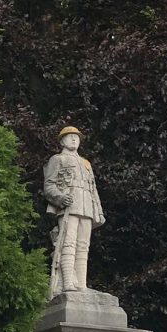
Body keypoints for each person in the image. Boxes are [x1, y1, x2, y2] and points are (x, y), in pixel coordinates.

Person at [43, 126, 105, 295]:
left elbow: (93, 189)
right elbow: (49, 185)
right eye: (70, 137)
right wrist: (60, 198)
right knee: (68, 243)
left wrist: (98, 211)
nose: (74, 140)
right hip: (69, 206)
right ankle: (68, 283)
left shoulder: (86, 163)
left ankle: (81, 285)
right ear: (62, 141)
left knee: (83, 246)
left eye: (76, 137)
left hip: (86, 205)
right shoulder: (57, 159)